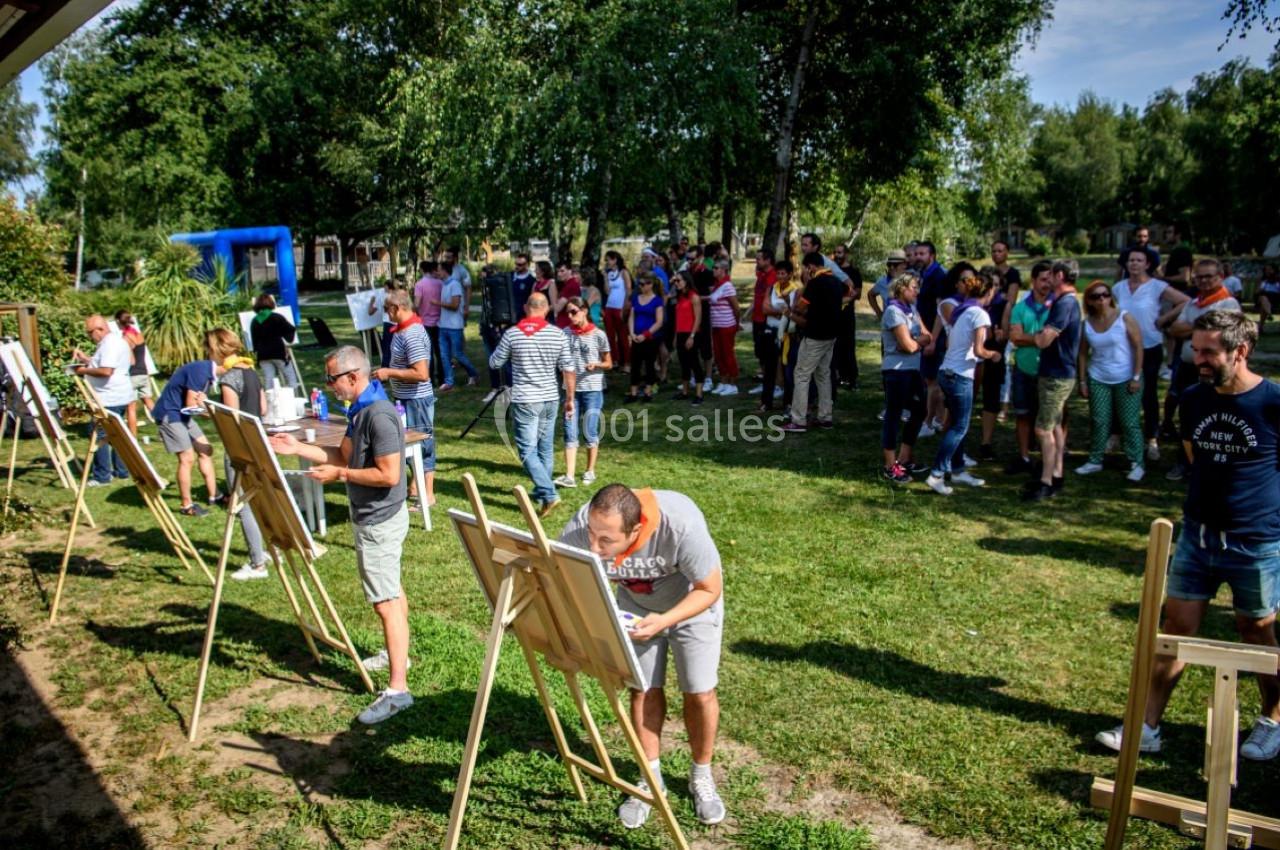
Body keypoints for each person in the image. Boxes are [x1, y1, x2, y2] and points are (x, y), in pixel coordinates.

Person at [1096, 309, 1280, 761]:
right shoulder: (1195, 399)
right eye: (1195, 349)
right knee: (1175, 629)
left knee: (1256, 631)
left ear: (1240, 351)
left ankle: (1272, 721)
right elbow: (1195, 456)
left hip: (1255, 540)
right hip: (1197, 536)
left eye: (1209, 352)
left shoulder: (1273, 403)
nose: (1198, 359)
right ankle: (1147, 727)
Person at [558, 484, 727, 828]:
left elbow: (710, 588)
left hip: (691, 604)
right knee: (643, 689)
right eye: (592, 533)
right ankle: (650, 781)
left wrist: (665, 621)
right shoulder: (582, 528)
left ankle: (701, 775)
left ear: (635, 530)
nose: (594, 546)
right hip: (634, 608)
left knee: (699, 690)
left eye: (606, 541)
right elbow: (565, 580)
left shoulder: (681, 527)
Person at [270, 346, 413, 725]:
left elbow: (389, 475)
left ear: (353, 376)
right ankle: (399, 653)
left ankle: (398, 690)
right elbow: (346, 456)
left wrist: (342, 477)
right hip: (374, 517)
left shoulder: (378, 415)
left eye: (332, 379)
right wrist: (297, 447)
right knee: (391, 591)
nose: (328, 386)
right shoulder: (361, 408)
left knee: (384, 601)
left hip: (380, 518)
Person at [489, 292, 577, 515]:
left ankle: (548, 493)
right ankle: (543, 493)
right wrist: (569, 399)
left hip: (526, 399)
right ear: (546, 308)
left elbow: (495, 362)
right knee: (544, 448)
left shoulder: (512, 334)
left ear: (526, 307)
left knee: (527, 450)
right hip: (550, 397)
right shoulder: (558, 334)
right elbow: (569, 368)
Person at [1162, 259, 1243, 481]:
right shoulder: (1194, 303)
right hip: (1188, 366)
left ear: (1220, 277)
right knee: (1187, 413)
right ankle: (1183, 461)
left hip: (1213, 370)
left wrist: (1194, 330)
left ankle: (1205, 462)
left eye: (1209, 276)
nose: (1203, 281)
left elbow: (1218, 337)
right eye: (1199, 277)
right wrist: (1201, 327)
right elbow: (1175, 329)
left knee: (1210, 416)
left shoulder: (1228, 304)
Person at [206, 328, 274, 581]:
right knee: (261, 500)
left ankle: (257, 563)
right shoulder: (250, 370)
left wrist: (210, 410)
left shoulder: (229, 378)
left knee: (243, 504)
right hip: (258, 444)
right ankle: (268, 550)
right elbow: (263, 408)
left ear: (217, 349)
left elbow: (231, 419)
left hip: (239, 449)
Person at [925, 271, 1001, 495]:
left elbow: (951, 342)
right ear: (988, 292)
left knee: (958, 422)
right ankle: (937, 474)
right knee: (959, 427)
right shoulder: (979, 314)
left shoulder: (962, 310)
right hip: (960, 376)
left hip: (946, 371)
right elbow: (978, 350)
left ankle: (957, 470)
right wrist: (992, 354)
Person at [1113, 246, 1189, 459]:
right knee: (1121, 390)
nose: (1134, 264)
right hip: (1124, 347)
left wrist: (1165, 319)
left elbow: (1184, 301)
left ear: (1147, 264)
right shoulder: (1119, 288)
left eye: (1139, 260)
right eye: (1131, 260)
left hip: (1150, 346)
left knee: (1148, 394)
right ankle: (1116, 434)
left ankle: (1152, 439)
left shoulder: (1157, 286)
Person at [1074, 281, 1145, 481]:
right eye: (1096, 297)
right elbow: (1082, 354)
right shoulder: (1087, 323)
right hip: (1098, 377)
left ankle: (1137, 463)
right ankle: (1095, 460)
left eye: (1105, 295)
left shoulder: (1124, 317)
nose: (1102, 299)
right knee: (1099, 420)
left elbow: (1139, 346)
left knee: (1129, 422)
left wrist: (1136, 376)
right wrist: (1082, 381)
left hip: (1126, 377)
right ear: (1089, 301)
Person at [1025, 260, 1083, 501]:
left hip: (1057, 376)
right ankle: (1057, 473)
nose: (1048, 280)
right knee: (1056, 424)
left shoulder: (1065, 303)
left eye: (1051, 276)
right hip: (1057, 373)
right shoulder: (1067, 301)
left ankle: (1045, 481)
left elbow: (1043, 340)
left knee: (1043, 428)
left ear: (1061, 275)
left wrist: (1032, 335)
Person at [373, 290, 436, 509]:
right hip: (404, 398)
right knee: (407, 443)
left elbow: (422, 374)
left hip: (417, 400)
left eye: (386, 309)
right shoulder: (402, 331)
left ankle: (428, 494)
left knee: (423, 444)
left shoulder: (412, 334)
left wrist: (389, 373)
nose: (385, 314)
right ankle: (415, 486)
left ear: (396, 308)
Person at [151, 337, 227, 516]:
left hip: (182, 415)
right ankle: (186, 505)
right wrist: (216, 414)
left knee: (206, 450)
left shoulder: (209, 374)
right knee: (187, 458)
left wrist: (213, 411)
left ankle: (215, 495)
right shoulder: (202, 370)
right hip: (170, 414)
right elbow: (192, 404)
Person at [880, 274, 932, 483]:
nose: (917, 291)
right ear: (901, 289)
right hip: (896, 372)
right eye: (913, 287)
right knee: (894, 415)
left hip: (912, 370)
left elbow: (927, 336)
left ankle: (905, 458)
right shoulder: (893, 311)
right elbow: (907, 346)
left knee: (920, 411)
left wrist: (916, 341)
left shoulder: (912, 310)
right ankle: (889, 465)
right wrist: (918, 342)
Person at [782, 253, 842, 433]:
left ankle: (798, 419)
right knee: (823, 375)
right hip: (831, 335)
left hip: (815, 335)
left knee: (801, 374)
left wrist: (792, 311)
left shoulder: (815, 283)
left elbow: (801, 307)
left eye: (806, 268)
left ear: (811, 267)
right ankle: (825, 416)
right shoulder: (837, 282)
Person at [71, 314, 134, 486]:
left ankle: (102, 476)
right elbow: (104, 364)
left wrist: (82, 371)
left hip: (109, 397)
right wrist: (86, 360)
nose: (90, 337)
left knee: (99, 434)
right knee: (117, 434)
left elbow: (106, 371)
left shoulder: (109, 344)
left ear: (100, 330)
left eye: (90, 333)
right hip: (116, 394)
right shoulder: (113, 342)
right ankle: (121, 471)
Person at [556, 297, 611, 488]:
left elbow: (609, 363)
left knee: (590, 431)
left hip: (592, 389)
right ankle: (569, 475)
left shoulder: (598, 335)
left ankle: (590, 471)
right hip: (570, 390)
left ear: (585, 310)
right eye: (568, 313)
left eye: (574, 312)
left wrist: (596, 364)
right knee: (569, 431)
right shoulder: (565, 333)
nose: (570, 316)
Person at [1006, 262, 1054, 474]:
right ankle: (1024, 457)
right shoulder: (1020, 308)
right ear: (1033, 281)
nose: (1047, 284)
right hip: (1024, 369)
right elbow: (1015, 337)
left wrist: (1029, 338)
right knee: (1023, 415)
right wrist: (1040, 338)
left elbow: (1057, 339)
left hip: (1051, 371)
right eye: (1043, 279)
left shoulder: (1058, 306)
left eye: (1051, 279)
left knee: (1052, 417)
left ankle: (1049, 459)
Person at [976, 264, 1012, 460]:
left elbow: (1006, 333)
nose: (993, 288)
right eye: (990, 284)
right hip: (973, 356)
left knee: (991, 399)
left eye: (997, 285)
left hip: (993, 354)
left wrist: (1000, 335)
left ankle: (986, 443)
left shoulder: (1003, 304)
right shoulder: (974, 302)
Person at [437, 264, 479, 392]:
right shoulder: (444, 284)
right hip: (443, 325)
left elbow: (455, 305)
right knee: (444, 355)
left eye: (439, 270)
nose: (437, 272)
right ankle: (449, 382)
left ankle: (474, 373)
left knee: (458, 354)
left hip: (454, 326)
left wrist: (437, 303)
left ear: (444, 271)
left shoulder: (455, 284)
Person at [249, 294, 300, 392]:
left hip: (263, 355)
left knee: (269, 380)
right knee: (290, 377)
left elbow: (254, 340)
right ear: (271, 303)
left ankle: (270, 402)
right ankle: (293, 399)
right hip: (278, 352)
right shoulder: (277, 317)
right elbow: (290, 330)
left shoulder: (254, 321)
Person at [771, 261, 804, 414]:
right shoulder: (775, 288)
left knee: (792, 371)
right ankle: (787, 403)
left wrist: (786, 309)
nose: (780, 276)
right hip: (781, 333)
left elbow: (793, 311)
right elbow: (766, 307)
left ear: (790, 274)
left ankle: (794, 404)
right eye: (778, 273)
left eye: (783, 273)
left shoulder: (795, 290)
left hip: (792, 334)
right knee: (785, 370)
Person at [626, 273, 665, 403]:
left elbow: (659, 322)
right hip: (636, 336)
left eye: (643, 284)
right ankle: (633, 392)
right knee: (635, 364)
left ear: (650, 284)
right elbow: (632, 316)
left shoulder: (657, 300)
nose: (641, 287)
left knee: (649, 364)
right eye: (640, 284)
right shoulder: (637, 298)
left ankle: (648, 392)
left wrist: (646, 334)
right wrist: (631, 333)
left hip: (650, 338)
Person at [830, 242, 863, 392]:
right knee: (833, 346)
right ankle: (836, 376)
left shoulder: (854, 272)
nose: (837, 256)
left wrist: (843, 300)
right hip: (834, 314)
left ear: (846, 254)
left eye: (840, 252)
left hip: (847, 314)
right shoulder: (831, 271)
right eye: (836, 252)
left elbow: (857, 293)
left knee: (849, 346)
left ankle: (852, 378)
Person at [115, 310, 153, 435]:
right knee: (150, 404)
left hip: (132, 375)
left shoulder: (126, 337)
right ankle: (167, 430)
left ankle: (133, 438)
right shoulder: (138, 334)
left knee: (131, 408)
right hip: (144, 373)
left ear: (118, 322)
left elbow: (130, 360)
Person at [670, 270, 706, 405]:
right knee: (683, 363)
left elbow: (698, 318)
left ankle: (699, 393)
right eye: (676, 281)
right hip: (680, 333)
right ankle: (684, 391)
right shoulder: (680, 296)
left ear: (686, 281)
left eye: (679, 281)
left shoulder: (694, 296)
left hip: (691, 333)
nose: (676, 283)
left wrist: (692, 336)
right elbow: (679, 318)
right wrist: (675, 335)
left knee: (694, 362)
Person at [707, 260, 741, 396]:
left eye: (716, 268)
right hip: (716, 325)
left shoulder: (727, 286)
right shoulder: (717, 285)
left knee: (728, 354)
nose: (713, 270)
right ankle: (723, 381)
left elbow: (736, 308)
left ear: (723, 270)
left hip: (727, 325)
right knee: (719, 354)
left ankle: (732, 384)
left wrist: (736, 323)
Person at [750, 249, 778, 398]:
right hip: (757, 318)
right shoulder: (761, 275)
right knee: (760, 352)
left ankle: (774, 384)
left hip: (766, 319)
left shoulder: (773, 275)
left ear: (768, 260)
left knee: (768, 354)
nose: (756, 262)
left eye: (759, 259)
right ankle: (765, 382)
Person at [413, 261, 446, 385]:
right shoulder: (440, 283)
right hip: (440, 321)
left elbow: (416, 304)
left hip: (425, 321)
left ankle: (429, 378)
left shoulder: (420, 284)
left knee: (427, 352)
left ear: (421, 269)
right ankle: (443, 378)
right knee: (440, 351)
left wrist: (417, 312)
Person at [603, 250, 633, 371]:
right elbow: (607, 291)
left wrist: (625, 306)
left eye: (608, 260)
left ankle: (626, 362)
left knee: (622, 336)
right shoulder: (610, 273)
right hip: (609, 306)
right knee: (610, 335)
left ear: (615, 259)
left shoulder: (623, 272)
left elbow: (629, 289)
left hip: (620, 307)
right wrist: (605, 277)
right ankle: (615, 360)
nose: (607, 262)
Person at [868, 250, 910, 320]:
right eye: (889, 264)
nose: (892, 267)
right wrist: (879, 314)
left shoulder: (912, 281)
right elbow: (870, 295)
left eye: (895, 265)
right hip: (889, 327)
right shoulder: (883, 281)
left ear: (905, 265)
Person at [441, 246, 472, 328]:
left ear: (455, 258)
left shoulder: (462, 270)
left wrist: (467, 307)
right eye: (445, 257)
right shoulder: (443, 269)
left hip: (458, 307)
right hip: (445, 307)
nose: (446, 259)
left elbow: (468, 288)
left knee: (458, 330)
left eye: (449, 257)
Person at [554, 260, 583, 329]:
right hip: (565, 323)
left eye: (562, 271)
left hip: (567, 324)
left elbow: (557, 308)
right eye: (557, 271)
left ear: (570, 271)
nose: (559, 274)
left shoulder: (571, 285)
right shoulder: (566, 284)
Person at [1256, 264, 1280, 333]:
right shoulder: (1263, 280)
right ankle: (1269, 314)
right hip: (1262, 297)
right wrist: (1260, 289)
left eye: (1270, 270)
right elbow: (1257, 292)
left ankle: (1260, 327)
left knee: (1264, 306)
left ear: (1274, 270)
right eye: (1266, 270)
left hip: (1275, 299)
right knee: (1263, 298)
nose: (1268, 271)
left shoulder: (1278, 280)